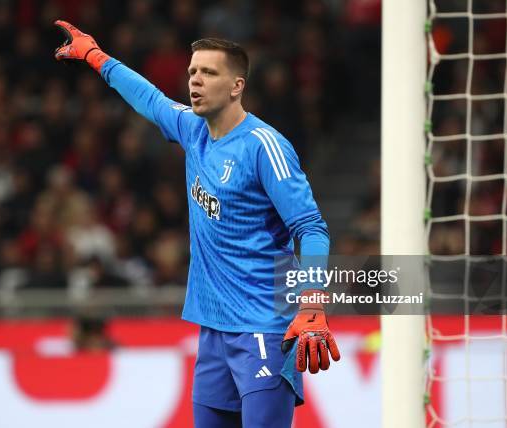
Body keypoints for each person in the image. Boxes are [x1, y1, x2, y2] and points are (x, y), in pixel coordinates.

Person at [54, 20, 340, 428]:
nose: (195, 81)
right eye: (192, 72)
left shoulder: (265, 147)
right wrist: (96, 57)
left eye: (208, 72)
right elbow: (150, 99)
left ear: (236, 86)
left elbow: (311, 227)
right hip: (214, 330)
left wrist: (313, 302)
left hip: (265, 324)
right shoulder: (193, 130)